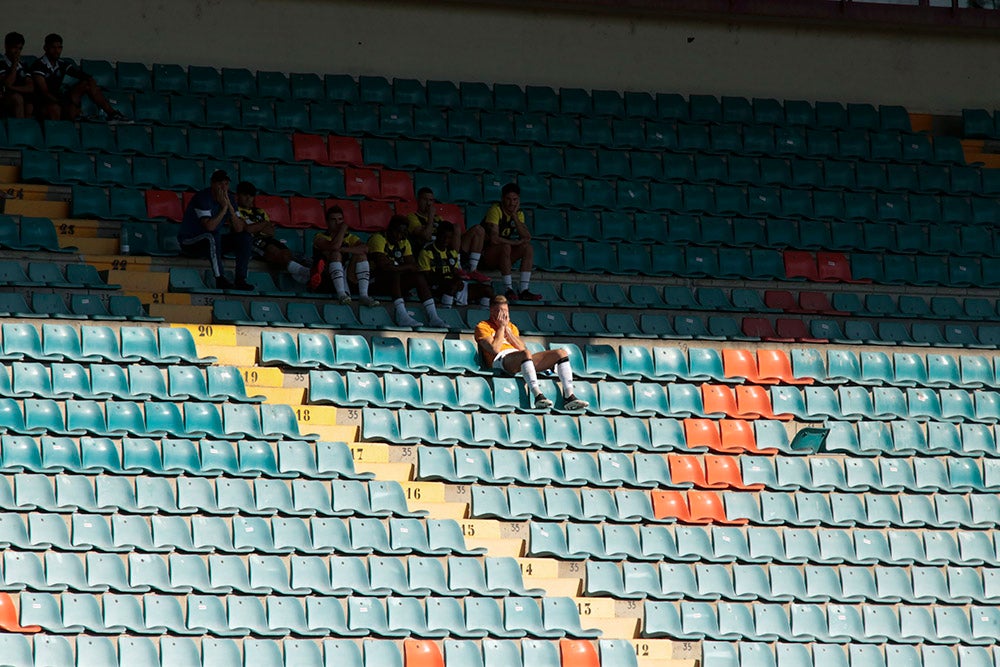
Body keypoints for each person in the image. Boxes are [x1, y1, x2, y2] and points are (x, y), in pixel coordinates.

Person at [474, 295, 588, 410]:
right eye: (500, 311)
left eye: (506, 311)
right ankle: (538, 396)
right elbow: (495, 349)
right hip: (500, 360)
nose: (504, 315)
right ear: (492, 311)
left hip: (521, 358)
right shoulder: (483, 327)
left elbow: (521, 347)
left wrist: (507, 330)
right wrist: (501, 328)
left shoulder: (512, 327)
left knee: (561, 353)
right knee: (526, 354)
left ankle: (569, 396)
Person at [462, 182, 542, 301]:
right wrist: (514, 243)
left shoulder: (519, 213)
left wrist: (514, 216)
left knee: (528, 247)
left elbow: (527, 237)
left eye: (515, 199)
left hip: (502, 256)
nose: (511, 203)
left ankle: (524, 290)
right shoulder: (496, 210)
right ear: (502, 199)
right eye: (508, 199)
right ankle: (508, 289)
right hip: (485, 255)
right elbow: (494, 239)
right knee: (506, 246)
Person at [178, 170, 253, 290]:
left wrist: (229, 207)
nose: (224, 187)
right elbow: (209, 227)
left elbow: (239, 228)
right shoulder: (202, 198)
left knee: (245, 237)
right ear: (212, 183)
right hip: (191, 241)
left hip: (212, 243)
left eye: (226, 184)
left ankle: (240, 279)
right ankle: (219, 278)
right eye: (220, 184)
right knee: (212, 235)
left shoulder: (230, 198)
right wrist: (224, 208)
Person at [368, 215, 448, 328]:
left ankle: (433, 317)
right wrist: (404, 267)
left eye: (405, 232)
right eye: (399, 232)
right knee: (394, 273)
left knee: (418, 277)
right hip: (374, 282)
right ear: (390, 229)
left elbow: (413, 266)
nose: (402, 236)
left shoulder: (403, 242)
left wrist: (400, 267)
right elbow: (383, 267)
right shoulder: (378, 239)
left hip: (394, 282)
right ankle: (402, 316)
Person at [29, 33, 128, 122]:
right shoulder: (38, 65)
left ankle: (112, 114)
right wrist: (64, 104)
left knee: (87, 83)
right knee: (61, 108)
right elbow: (44, 92)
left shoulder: (61, 63)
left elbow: (80, 74)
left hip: (60, 98)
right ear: (45, 48)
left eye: (59, 48)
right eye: (53, 47)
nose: (57, 51)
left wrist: (90, 80)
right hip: (45, 102)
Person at [233, 181, 311, 285]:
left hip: (267, 239)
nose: (248, 198)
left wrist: (255, 227)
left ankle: (303, 276)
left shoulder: (260, 212)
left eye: (251, 195)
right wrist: (263, 224)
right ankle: (306, 273)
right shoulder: (235, 211)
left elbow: (271, 231)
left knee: (285, 253)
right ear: (237, 196)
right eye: (245, 195)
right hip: (249, 240)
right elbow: (247, 230)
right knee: (274, 252)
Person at [407, 187, 489, 283]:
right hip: (430, 251)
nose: (428, 203)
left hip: (448, 250)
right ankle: (457, 266)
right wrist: (430, 218)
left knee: (477, 229)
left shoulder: (438, 218)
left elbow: (449, 234)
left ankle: (472, 269)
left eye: (431, 200)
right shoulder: (412, 217)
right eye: (425, 199)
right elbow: (426, 236)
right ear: (418, 200)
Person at [310, 205, 378, 306]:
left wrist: (343, 249)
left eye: (340, 219)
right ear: (327, 222)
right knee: (336, 254)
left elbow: (365, 249)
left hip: (347, 276)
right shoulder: (319, 237)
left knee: (361, 256)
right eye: (333, 220)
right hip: (327, 279)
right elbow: (335, 246)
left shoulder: (350, 237)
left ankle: (364, 295)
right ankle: (341, 294)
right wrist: (342, 229)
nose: (337, 223)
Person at [418, 220, 493, 309]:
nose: (446, 240)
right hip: (436, 288)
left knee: (488, 290)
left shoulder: (452, 252)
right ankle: (447, 313)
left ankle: (483, 319)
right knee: (452, 286)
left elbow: (455, 271)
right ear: (437, 235)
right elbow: (427, 278)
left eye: (449, 237)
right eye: (443, 237)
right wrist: (450, 280)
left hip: (455, 286)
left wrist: (458, 278)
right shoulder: (427, 252)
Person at [0, 32, 33, 118]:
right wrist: (14, 64)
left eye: (20, 48)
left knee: (30, 101)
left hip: (19, 93)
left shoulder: (24, 65)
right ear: (6, 46)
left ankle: (28, 128)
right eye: (14, 48)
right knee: (17, 98)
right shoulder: (1, 63)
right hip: (5, 97)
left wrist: (12, 88)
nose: (17, 52)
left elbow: (30, 87)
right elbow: (7, 83)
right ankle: (20, 128)